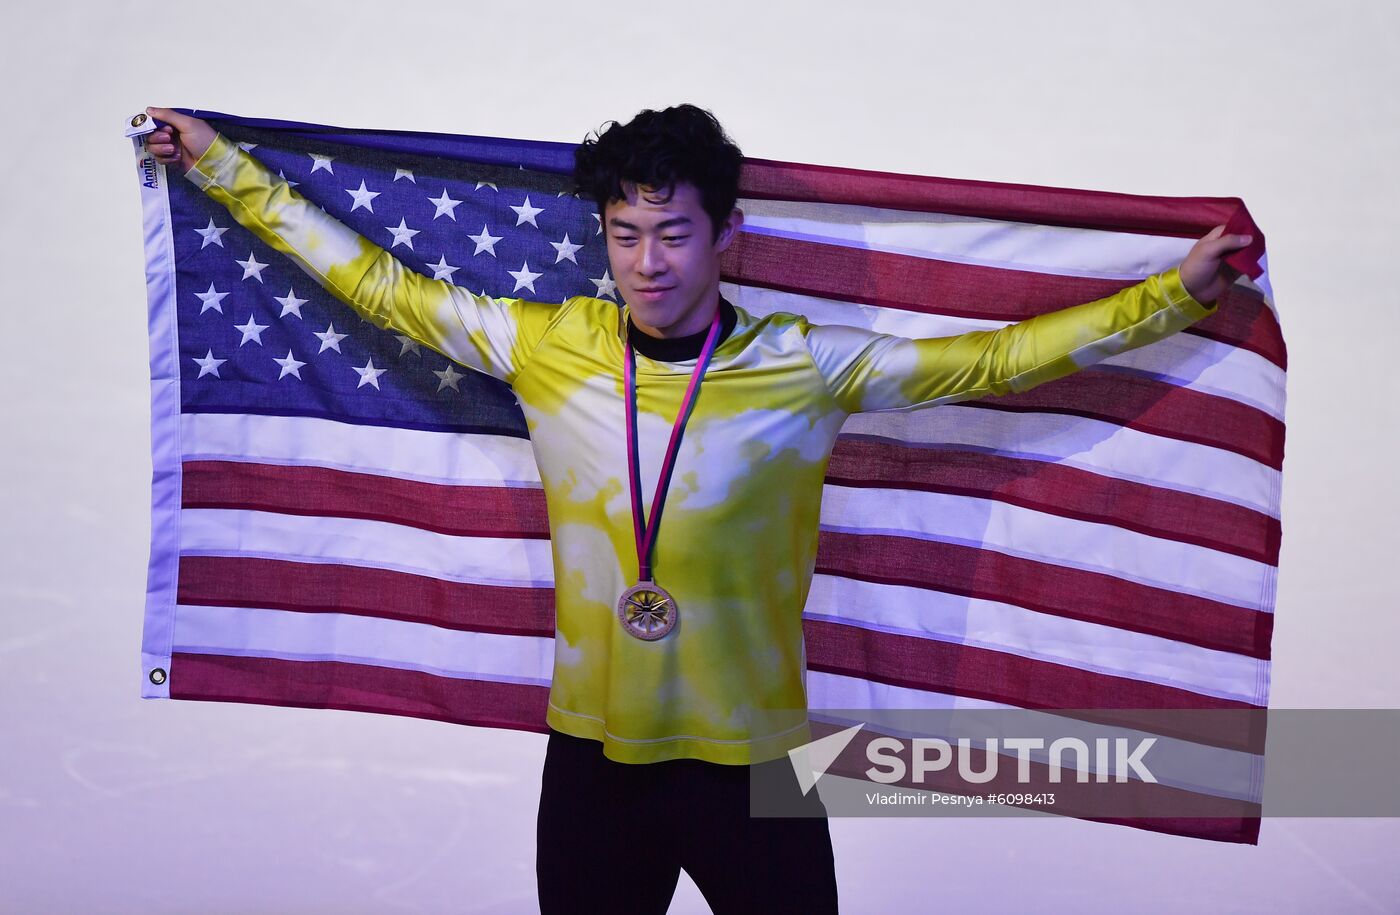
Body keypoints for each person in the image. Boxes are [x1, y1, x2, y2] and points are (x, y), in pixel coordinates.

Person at [142, 103, 1250, 914]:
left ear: (728, 239)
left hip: (753, 768)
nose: (646, 262)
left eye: (673, 234)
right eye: (624, 234)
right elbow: (379, 288)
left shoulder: (801, 367)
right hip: (595, 762)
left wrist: (1174, 295)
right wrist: (221, 166)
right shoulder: (548, 348)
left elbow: (993, 362)